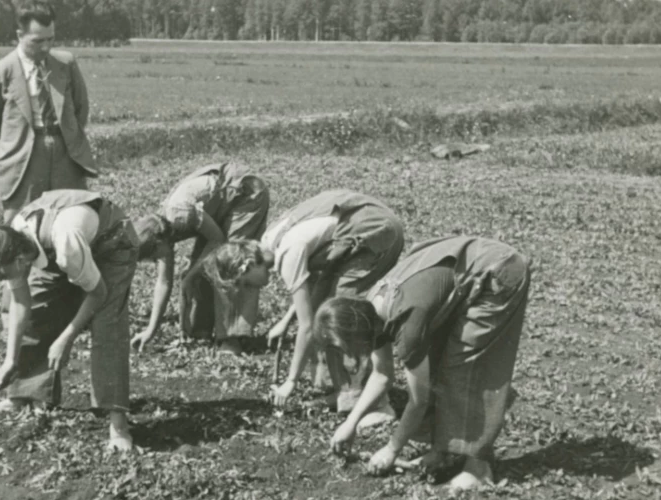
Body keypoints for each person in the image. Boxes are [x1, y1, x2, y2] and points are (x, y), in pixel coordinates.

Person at [320, 236, 531, 490]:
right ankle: (444, 450)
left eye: (346, 348)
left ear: (356, 334)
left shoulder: (405, 323)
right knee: (439, 362)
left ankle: (478, 468)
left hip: (498, 272)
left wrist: (391, 449)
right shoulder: (370, 313)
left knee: (467, 367)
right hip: (474, 270)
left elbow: (418, 401)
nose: (347, 357)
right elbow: (382, 375)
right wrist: (350, 424)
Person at [196, 189, 404, 426]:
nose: (250, 289)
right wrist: (285, 321)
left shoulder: (287, 253)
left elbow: (306, 327)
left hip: (376, 231)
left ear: (247, 266)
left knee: (343, 316)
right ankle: (347, 392)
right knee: (326, 311)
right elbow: (311, 291)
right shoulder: (269, 240)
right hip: (358, 232)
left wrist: (291, 382)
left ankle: (378, 405)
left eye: (245, 284)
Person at [0, 189, 138, 452]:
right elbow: (22, 302)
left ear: (21, 260)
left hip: (112, 242)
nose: (4, 280)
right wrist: (10, 360)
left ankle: (118, 424)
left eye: (5, 275)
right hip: (70, 245)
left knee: (107, 325)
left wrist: (66, 337)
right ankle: (24, 395)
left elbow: (98, 292)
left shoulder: (65, 241)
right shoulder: (14, 237)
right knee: (38, 307)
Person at [129, 162, 270, 356]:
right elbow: (164, 283)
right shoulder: (161, 232)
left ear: (158, 243)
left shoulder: (180, 215)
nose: (158, 260)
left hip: (245, 195)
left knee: (229, 264)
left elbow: (218, 241)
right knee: (196, 270)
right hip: (216, 209)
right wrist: (150, 331)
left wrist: (193, 274)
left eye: (155, 256)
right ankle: (198, 334)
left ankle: (232, 340)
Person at [0, 0, 98, 223]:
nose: (45, 47)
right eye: (37, 41)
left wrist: (66, 138)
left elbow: (80, 110)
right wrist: (16, 145)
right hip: (24, 157)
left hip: (65, 152)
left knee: (70, 219)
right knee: (21, 226)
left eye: (51, 39)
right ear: (19, 35)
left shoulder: (66, 64)